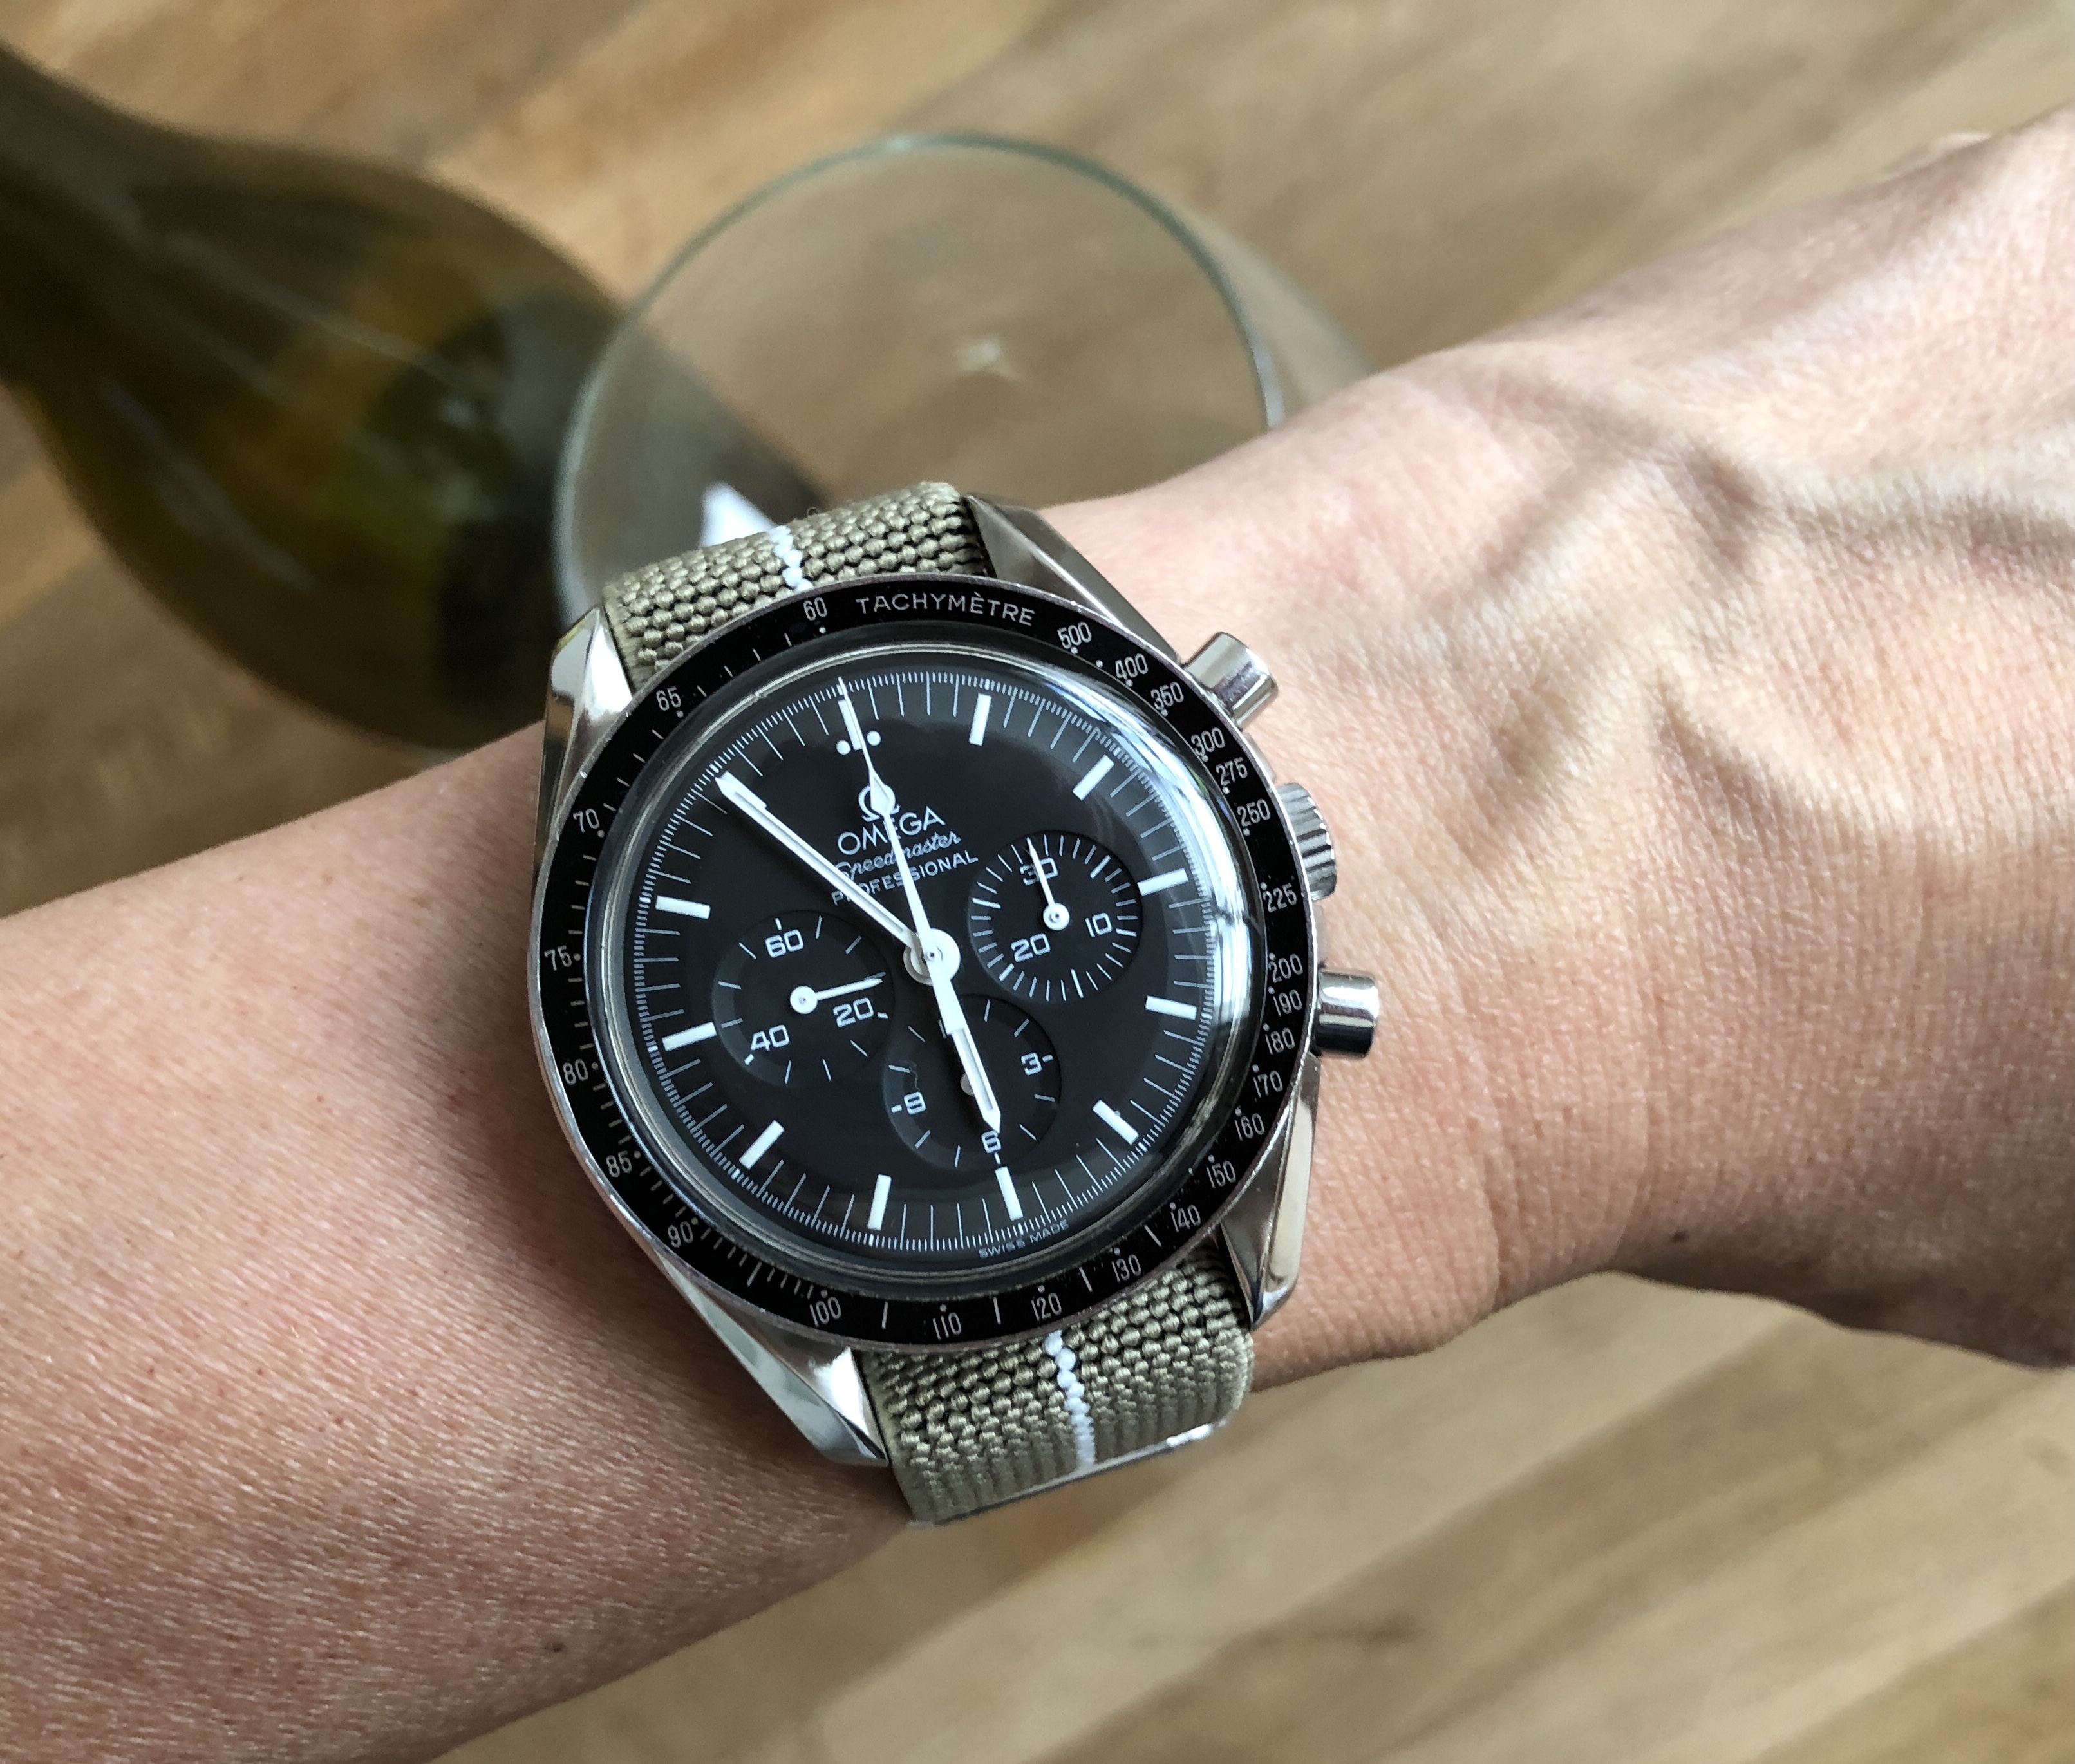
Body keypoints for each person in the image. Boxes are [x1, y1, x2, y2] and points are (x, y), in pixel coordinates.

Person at [1, 110, 2067, 1764]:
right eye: (915, 952)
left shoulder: (1160, 885)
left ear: (1266, 836)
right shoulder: (683, 971)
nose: (933, 962)